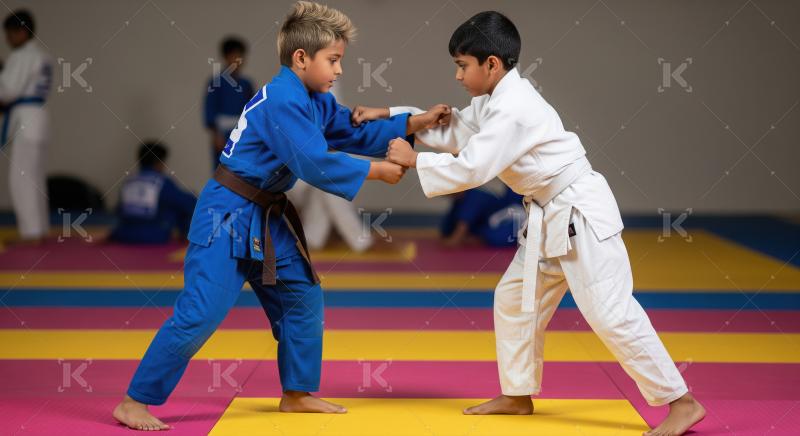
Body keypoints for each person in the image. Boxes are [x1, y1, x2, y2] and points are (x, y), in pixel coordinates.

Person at [358, 11, 705, 436]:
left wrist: (415, 160)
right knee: (513, 299)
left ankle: (681, 402)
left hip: (578, 214)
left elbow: (474, 166)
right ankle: (517, 394)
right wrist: (394, 115)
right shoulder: (493, 101)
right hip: (548, 217)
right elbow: (456, 131)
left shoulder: (515, 108)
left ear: (492, 65)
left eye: (463, 65)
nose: (457, 75)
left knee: (610, 312)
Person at [112, 1, 448, 430]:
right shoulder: (283, 99)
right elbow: (312, 161)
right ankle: (134, 400)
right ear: (301, 58)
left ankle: (297, 393)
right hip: (227, 214)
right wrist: (377, 171)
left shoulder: (312, 97)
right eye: (334, 61)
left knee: (302, 296)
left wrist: (414, 123)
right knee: (201, 312)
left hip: (267, 216)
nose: (339, 71)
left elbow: (350, 129)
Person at [0, 9, 52, 245]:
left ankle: (31, 233)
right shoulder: (43, 56)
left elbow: (8, 91)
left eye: (9, 34)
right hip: (38, 116)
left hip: (25, 117)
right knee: (35, 178)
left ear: (21, 32)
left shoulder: (21, 56)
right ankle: (39, 229)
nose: (7, 39)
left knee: (21, 178)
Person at [108, 142, 196, 244]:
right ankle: (187, 238)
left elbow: (119, 209)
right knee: (181, 206)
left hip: (123, 234)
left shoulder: (128, 181)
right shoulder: (161, 182)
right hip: (153, 235)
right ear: (159, 163)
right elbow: (189, 203)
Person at [203, 36, 255, 170]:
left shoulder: (246, 84)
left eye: (241, 56)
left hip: (242, 134)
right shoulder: (216, 82)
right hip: (222, 134)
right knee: (222, 169)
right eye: (234, 56)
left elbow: (252, 110)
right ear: (226, 57)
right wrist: (216, 134)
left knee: (242, 170)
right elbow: (210, 109)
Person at [439, 186, 524, 248]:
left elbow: (462, 227)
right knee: (448, 228)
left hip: (506, 220)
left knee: (502, 237)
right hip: (488, 223)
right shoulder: (459, 202)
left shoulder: (474, 196)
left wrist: (454, 240)